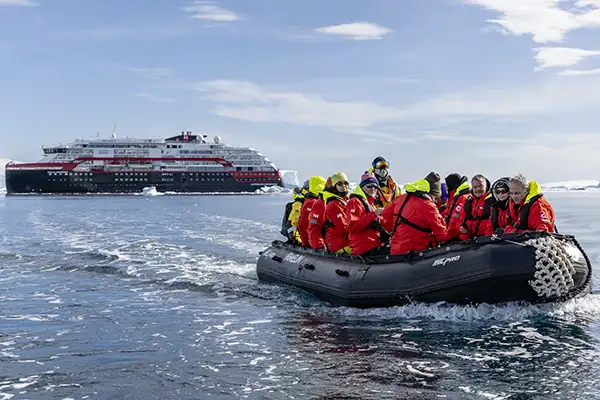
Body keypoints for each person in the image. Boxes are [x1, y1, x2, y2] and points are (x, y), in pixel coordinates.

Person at [381, 172, 447, 255]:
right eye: (435, 198)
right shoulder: (428, 206)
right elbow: (442, 234)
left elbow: (385, 220)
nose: (435, 201)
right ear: (432, 194)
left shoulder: (399, 199)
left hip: (396, 251)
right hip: (418, 254)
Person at [346, 172, 385, 257]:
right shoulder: (355, 202)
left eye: (375, 186)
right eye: (369, 186)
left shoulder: (371, 204)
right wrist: (373, 215)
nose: (373, 189)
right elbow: (353, 228)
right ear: (362, 187)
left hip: (374, 244)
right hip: (364, 248)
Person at [322, 172, 351, 253]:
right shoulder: (334, 204)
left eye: (346, 183)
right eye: (339, 184)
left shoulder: (344, 201)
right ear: (334, 187)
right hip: (339, 244)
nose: (344, 186)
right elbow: (342, 227)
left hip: (346, 242)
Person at [457, 174, 493, 240]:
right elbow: (460, 219)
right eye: (475, 187)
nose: (478, 189)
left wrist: (486, 240)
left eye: (481, 186)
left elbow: (493, 223)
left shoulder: (491, 201)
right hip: (470, 240)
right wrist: (460, 227)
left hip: (485, 240)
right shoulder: (468, 201)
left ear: (486, 186)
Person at [297, 176, 326, 246]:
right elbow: (306, 224)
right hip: (312, 241)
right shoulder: (313, 202)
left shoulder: (309, 201)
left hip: (310, 239)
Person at [443, 173, 471, 242]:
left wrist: (445, 239)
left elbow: (454, 221)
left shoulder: (462, 198)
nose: (445, 187)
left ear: (451, 185)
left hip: (458, 240)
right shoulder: (454, 198)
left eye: (447, 185)